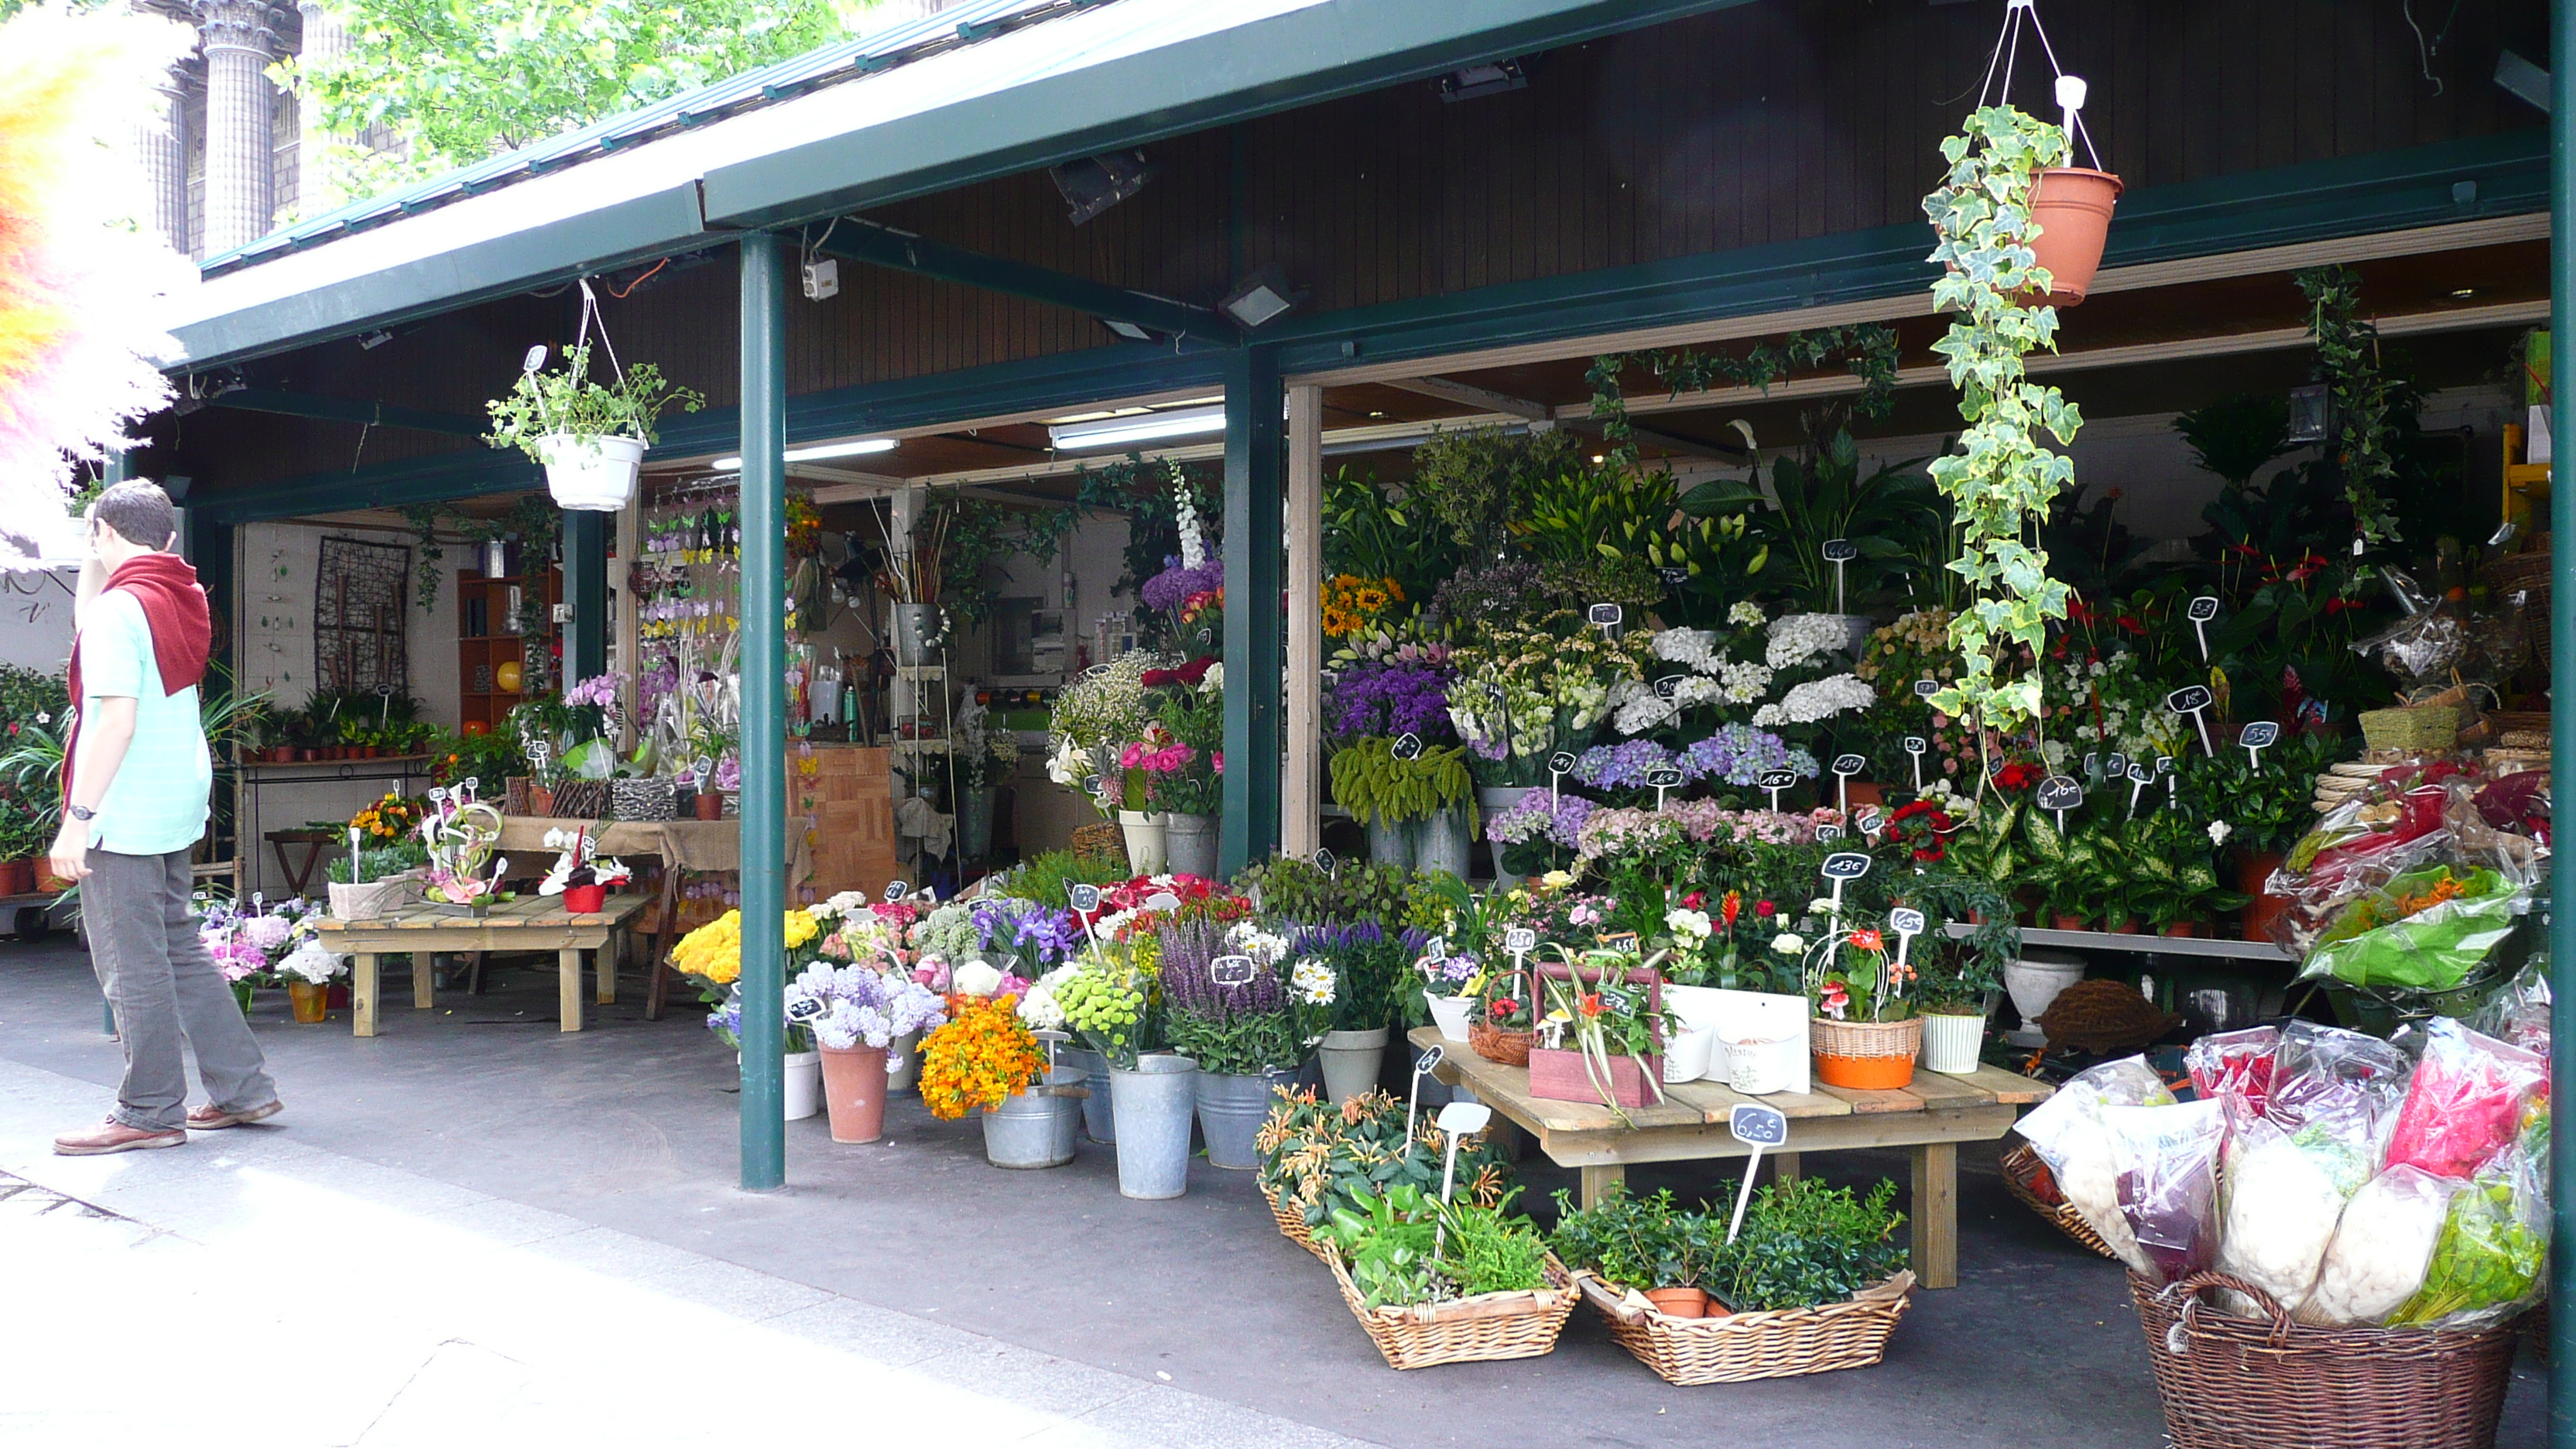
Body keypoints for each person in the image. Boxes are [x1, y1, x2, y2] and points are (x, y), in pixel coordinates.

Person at [50, 481, 281, 1156]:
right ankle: (242, 1090)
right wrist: (96, 549)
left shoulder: (120, 611)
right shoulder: (178, 594)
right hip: (175, 796)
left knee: (133, 960)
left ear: (106, 535)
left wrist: (78, 816)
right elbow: (90, 623)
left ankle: (149, 1111)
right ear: (169, 540)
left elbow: (114, 718)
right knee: (178, 944)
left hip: (124, 804)